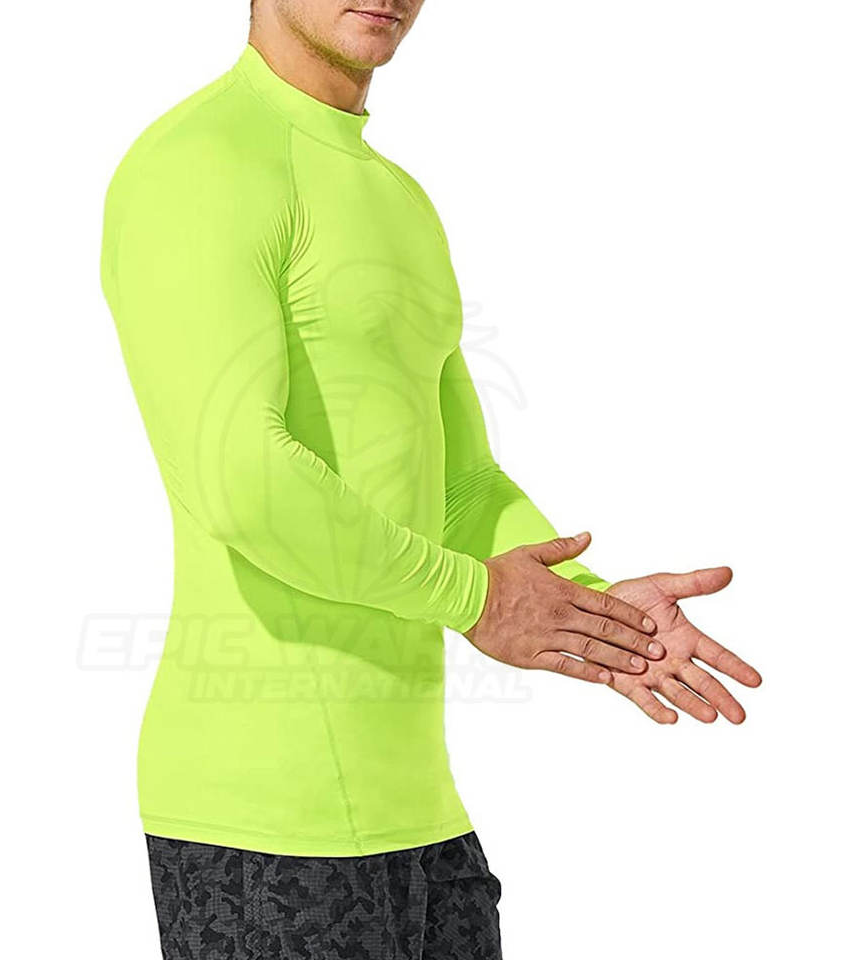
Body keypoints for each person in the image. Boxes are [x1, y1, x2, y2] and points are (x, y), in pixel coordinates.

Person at [100, 2, 762, 956]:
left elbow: (459, 485)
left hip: (421, 820)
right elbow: (242, 478)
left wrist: (594, 614)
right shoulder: (197, 164)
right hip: (261, 823)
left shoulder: (397, 197)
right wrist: (477, 600)